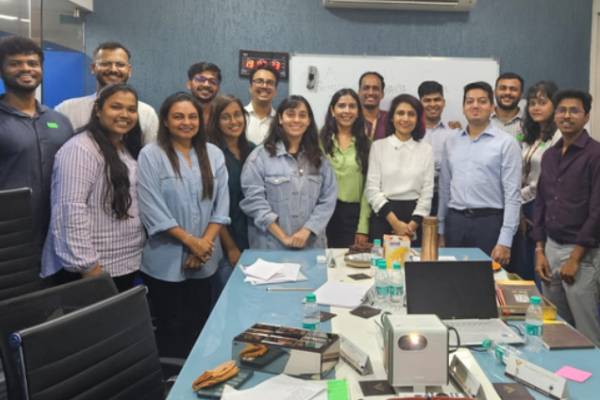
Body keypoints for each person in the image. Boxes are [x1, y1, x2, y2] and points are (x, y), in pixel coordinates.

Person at [137, 92, 230, 357]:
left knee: (200, 326)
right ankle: (171, 378)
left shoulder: (213, 154)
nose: (186, 122)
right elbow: (152, 208)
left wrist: (203, 246)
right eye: (178, 116)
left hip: (205, 258)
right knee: (170, 330)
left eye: (192, 117)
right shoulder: (151, 155)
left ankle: (197, 375)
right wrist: (192, 243)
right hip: (165, 261)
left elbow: (221, 205)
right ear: (166, 121)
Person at [41, 84, 145, 291]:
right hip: (94, 269)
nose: (125, 114)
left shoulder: (127, 148)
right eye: (116, 107)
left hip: (125, 263)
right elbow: (70, 211)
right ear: (98, 110)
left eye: (131, 109)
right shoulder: (80, 149)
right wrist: (88, 267)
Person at [532, 89, 600, 346]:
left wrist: (575, 258)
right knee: (557, 326)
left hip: (582, 254)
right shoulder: (550, 155)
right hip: (550, 249)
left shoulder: (595, 155)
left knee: (586, 331)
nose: (567, 116)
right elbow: (541, 202)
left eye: (574, 111)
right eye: (562, 110)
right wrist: (540, 250)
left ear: (586, 116)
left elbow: (597, 211)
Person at [0, 35, 73, 248]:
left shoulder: (59, 121)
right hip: (8, 234)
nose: (26, 68)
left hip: (56, 231)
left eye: (32, 63)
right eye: (15, 63)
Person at [438, 81, 522, 265]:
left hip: (489, 223)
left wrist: (505, 240)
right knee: (451, 277)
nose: (475, 106)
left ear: (492, 107)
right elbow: (444, 189)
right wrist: (441, 230)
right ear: (463, 107)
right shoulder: (451, 142)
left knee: (486, 279)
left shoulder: (507, 143)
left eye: (482, 101)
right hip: (455, 222)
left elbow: (513, 195)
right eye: (470, 101)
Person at [240, 95, 337, 249]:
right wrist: (284, 238)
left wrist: (307, 230)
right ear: (280, 119)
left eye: (302, 115)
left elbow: (328, 199)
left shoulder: (319, 159)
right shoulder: (259, 158)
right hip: (270, 247)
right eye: (290, 114)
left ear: (309, 121)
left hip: (311, 245)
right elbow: (254, 203)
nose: (296, 120)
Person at [55, 41, 158, 144]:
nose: (113, 69)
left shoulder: (147, 113)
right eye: (105, 64)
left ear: (129, 70)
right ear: (93, 68)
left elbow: (150, 152)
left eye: (120, 65)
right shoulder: (67, 109)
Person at [365, 94, 434, 244]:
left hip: (414, 221)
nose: (405, 118)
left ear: (418, 119)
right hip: (384, 216)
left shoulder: (426, 149)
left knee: (413, 259)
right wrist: (395, 223)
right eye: (400, 113)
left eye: (411, 114)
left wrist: (412, 225)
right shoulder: (378, 146)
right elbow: (372, 189)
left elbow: (427, 192)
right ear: (392, 117)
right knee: (381, 259)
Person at [510, 81, 561, 281]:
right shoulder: (530, 135)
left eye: (542, 102)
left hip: (545, 206)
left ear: (555, 105)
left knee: (543, 265)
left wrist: (520, 199)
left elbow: (551, 178)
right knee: (525, 266)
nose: (536, 108)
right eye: (532, 103)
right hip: (524, 205)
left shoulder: (559, 136)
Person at [208, 95, 255, 296]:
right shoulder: (210, 154)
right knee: (228, 301)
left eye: (237, 115)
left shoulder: (253, 150)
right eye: (225, 117)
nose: (234, 121)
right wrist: (231, 248)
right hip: (226, 242)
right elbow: (213, 208)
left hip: (254, 238)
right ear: (216, 122)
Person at [319, 88, 371, 248]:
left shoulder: (367, 144)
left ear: (358, 112)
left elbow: (368, 188)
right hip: (321, 212)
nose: (347, 111)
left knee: (347, 261)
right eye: (341, 106)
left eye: (352, 106)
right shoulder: (319, 140)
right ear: (332, 110)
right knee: (321, 259)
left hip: (352, 216)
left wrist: (363, 227)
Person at [418, 81, 459, 215]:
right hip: (416, 197)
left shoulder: (454, 134)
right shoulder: (411, 134)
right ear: (420, 103)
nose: (432, 104)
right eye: (427, 100)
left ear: (443, 102)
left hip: (446, 196)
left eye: (437, 100)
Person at [245, 65, 279, 144]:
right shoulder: (239, 117)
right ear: (250, 87)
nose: (264, 86)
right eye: (259, 81)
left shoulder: (280, 121)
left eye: (270, 82)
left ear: (275, 90)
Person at [187, 62, 221, 129]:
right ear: (189, 84)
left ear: (218, 87)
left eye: (213, 81)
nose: (206, 85)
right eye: (200, 79)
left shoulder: (223, 114)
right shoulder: (178, 113)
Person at [491, 72, 524, 139]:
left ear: (521, 95)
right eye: (503, 88)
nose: (507, 93)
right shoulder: (483, 120)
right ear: (494, 92)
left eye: (513, 89)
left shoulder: (529, 123)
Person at [358, 71, 388, 140]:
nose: (370, 93)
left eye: (375, 88)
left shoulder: (390, 119)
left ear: (382, 94)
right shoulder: (351, 119)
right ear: (359, 92)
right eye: (366, 88)